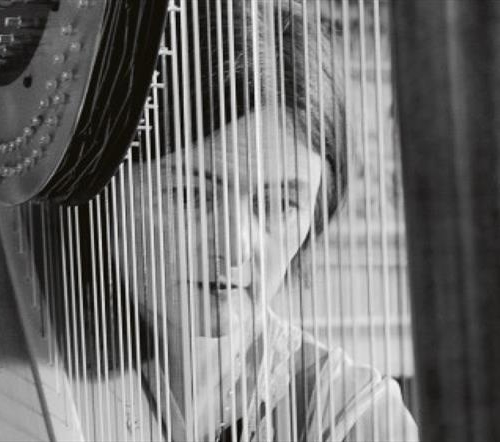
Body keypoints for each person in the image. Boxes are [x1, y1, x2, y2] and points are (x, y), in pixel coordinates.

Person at [114, 1, 418, 440]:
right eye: (189, 194)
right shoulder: (14, 359)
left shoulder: (358, 417)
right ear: (106, 186)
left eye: (279, 204)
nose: (235, 246)